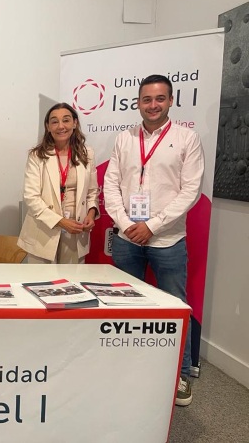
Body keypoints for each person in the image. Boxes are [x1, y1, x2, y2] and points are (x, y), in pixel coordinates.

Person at [103, 74, 205, 407]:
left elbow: (190, 191)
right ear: (138, 102)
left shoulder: (186, 138)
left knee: (175, 305)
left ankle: (181, 374)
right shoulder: (125, 138)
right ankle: (129, 366)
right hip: (126, 239)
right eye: (147, 99)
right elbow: (111, 185)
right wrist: (125, 224)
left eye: (160, 98)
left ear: (171, 101)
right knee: (125, 304)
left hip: (168, 239)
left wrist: (153, 225)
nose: (153, 105)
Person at [18, 103, 99, 263]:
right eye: (54, 122)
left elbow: (92, 192)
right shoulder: (37, 155)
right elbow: (31, 197)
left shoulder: (87, 153)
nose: (61, 126)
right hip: (43, 230)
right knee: (41, 278)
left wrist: (91, 214)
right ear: (48, 127)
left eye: (66, 120)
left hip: (76, 229)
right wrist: (61, 222)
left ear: (75, 123)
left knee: (72, 278)